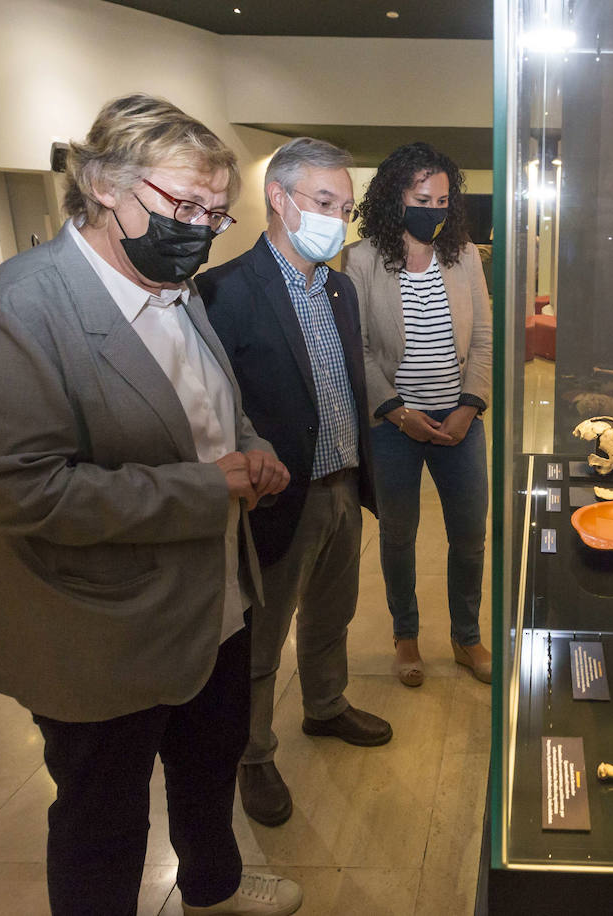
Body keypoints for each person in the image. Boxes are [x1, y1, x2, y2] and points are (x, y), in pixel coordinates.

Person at [0, 94, 301, 916]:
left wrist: (253, 449)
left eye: (216, 215)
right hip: (100, 620)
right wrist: (207, 485)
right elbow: (17, 489)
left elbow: (216, 404)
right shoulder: (23, 307)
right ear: (104, 184)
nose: (199, 227)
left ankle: (211, 886)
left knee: (209, 761)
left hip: (213, 596)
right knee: (102, 816)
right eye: (182, 204)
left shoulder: (177, 286)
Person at [197, 138, 389, 828]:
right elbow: (214, 406)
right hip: (278, 495)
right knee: (261, 635)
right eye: (325, 203)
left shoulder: (338, 286)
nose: (339, 219)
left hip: (341, 480)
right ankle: (252, 754)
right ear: (279, 199)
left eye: (347, 207)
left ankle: (326, 705)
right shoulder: (223, 291)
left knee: (332, 611)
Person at [346, 142, 493, 687]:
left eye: (443, 200)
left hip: (459, 422)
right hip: (394, 427)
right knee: (398, 536)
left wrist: (469, 405)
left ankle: (466, 637)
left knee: (470, 537)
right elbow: (356, 346)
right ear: (394, 198)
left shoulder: (465, 256)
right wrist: (394, 410)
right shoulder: (362, 260)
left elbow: (483, 337)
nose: (433, 209)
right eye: (421, 198)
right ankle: (405, 635)